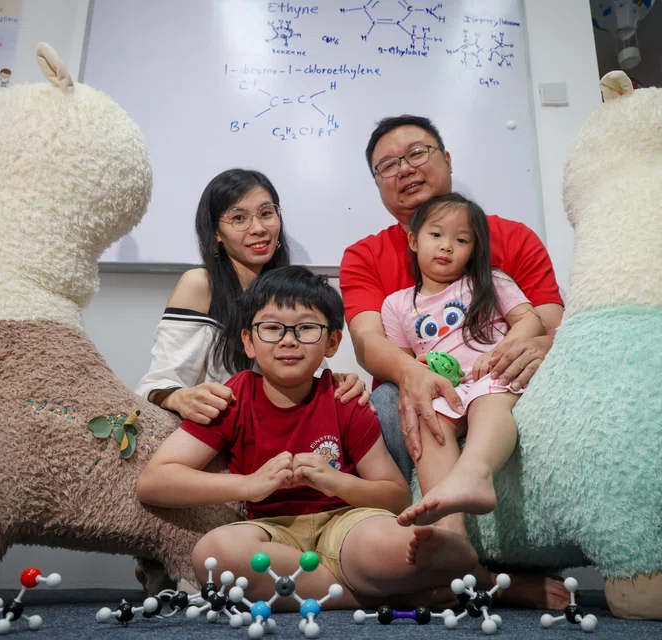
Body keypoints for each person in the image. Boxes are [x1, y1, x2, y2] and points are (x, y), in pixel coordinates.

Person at [136, 267, 487, 609]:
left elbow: (395, 497)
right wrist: (250, 485)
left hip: (348, 524)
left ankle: (432, 560)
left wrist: (337, 483)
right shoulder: (234, 398)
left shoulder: (343, 399)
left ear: (332, 342)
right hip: (272, 533)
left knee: (383, 545)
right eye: (272, 328)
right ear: (248, 341)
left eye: (305, 328)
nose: (288, 339)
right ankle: (384, 595)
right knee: (215, 555)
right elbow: (154, 482)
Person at [339, 115, 565, 482]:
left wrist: (535, 346)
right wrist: (411, 371)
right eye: (388, 166)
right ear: (377, 184)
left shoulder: (513, 236)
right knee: (380, 405)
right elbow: (368, 342)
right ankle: (427, 525)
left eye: (417, 153)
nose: (405, 169)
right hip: (426, 386)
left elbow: (550, 326)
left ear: (447, 159)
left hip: (496, 377)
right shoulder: (364, 254)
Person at [135, 168, 369, 426]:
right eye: (239, 217)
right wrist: (178, 398)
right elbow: (155, 384)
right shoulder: (201, 284)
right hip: (215, 436)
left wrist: (335, 382)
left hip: (279, 435)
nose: (258, 228)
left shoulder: (287, 289)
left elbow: (303, 374)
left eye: (266, 214)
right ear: (215, 232)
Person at [381, 193, 545, 535]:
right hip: (448, 389)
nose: (446, 247)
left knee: (488, 399)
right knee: (429, 419)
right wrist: (420, 365)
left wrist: (503, 352)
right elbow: (404, 363)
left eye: (461, 240)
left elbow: (531, 323)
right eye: (436, 235)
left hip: (495, 375)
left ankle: (477, 475)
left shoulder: (491, 281)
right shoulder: (395, 305)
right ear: (413, 239)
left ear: (474, 249)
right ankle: (449, 530)